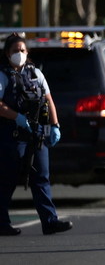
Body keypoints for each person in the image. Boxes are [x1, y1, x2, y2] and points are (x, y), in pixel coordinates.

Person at [0, 33, 72, 236]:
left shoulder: (36, 74)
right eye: (15, 51)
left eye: (23, 50)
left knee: (41, 178)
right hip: (12, 134)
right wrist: (17, 118)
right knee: (7, 179)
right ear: (7, 54)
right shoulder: (2, 76)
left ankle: (50, 222)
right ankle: (1, 222)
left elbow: (49, 100)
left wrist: (55, 126)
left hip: (36, 133)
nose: (19, 54)